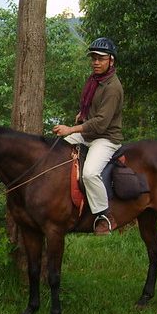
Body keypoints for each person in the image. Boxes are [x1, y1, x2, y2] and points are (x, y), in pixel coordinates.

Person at [53, 37, 124, 235]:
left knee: (90, 173)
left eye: (100, 58)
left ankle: (105, 216)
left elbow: (101, 123)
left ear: (111, 60)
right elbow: (92, 108)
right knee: (56, 147)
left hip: (106, 138)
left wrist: (70, 129)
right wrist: (82, 115)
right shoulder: (95, 80)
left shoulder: (113, 87)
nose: (95, 62)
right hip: (90, 133)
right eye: (93, 58)